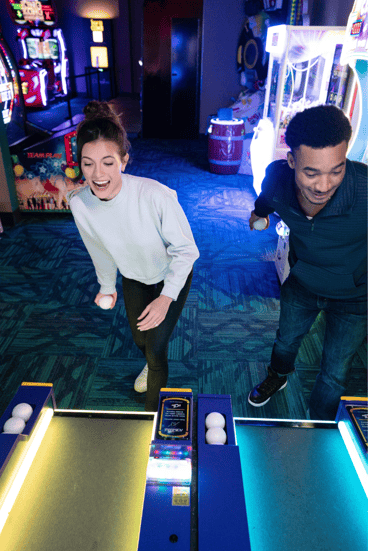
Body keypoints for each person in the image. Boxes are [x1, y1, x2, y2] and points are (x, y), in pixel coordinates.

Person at [67, 101, 199, 411]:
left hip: (171, 275)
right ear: (81, 164)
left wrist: (166, 298)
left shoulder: (155, 195)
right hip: (134, 275)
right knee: (141, 341)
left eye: (108, 162)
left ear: (124, 161)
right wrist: (106, 286)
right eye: (88, 163)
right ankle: (148, 360)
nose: (98, 174)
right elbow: (98, 247)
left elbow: (186, 251)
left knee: (155, 350)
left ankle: (152, 421)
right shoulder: (80, 204)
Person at [248, 105, 367, 420]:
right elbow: (263, 206)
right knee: (285, 341)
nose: (324, 185)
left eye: (336, 170)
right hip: (302, 282)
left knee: (335, 370)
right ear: (291, 162)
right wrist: (258, 217)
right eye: (311, 172)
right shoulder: (277, 178)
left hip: (356, 295)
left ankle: (318, 423)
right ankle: (278, 376)